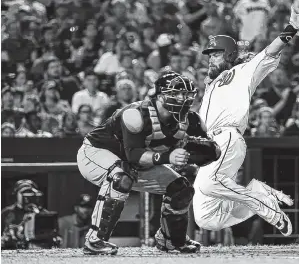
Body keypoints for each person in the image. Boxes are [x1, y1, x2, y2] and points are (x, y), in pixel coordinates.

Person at [193, 6, 299, 237]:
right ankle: (257, 194)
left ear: (230, 55)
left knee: (208, 185)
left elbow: (270, 51)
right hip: (210, 143)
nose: (210, 59)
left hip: (227, 138)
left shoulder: (242, 71)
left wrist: (293, 27)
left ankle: (263, 205)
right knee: (206, 218)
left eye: (216, 54)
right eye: (209, 55)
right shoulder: (211, 85)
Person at [76, 71, 220, 255]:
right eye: (176, 94)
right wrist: (170, 157)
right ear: (160, 96)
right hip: (96, 153)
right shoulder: (136, 115)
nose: (182, 99)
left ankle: (171, 241)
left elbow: (209, 152)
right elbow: (134, 155)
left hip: (134, 163)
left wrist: (194, 153)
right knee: (121, 177)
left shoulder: (192, 121)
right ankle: (94, 240)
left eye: (186, 94)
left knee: (181, 189)